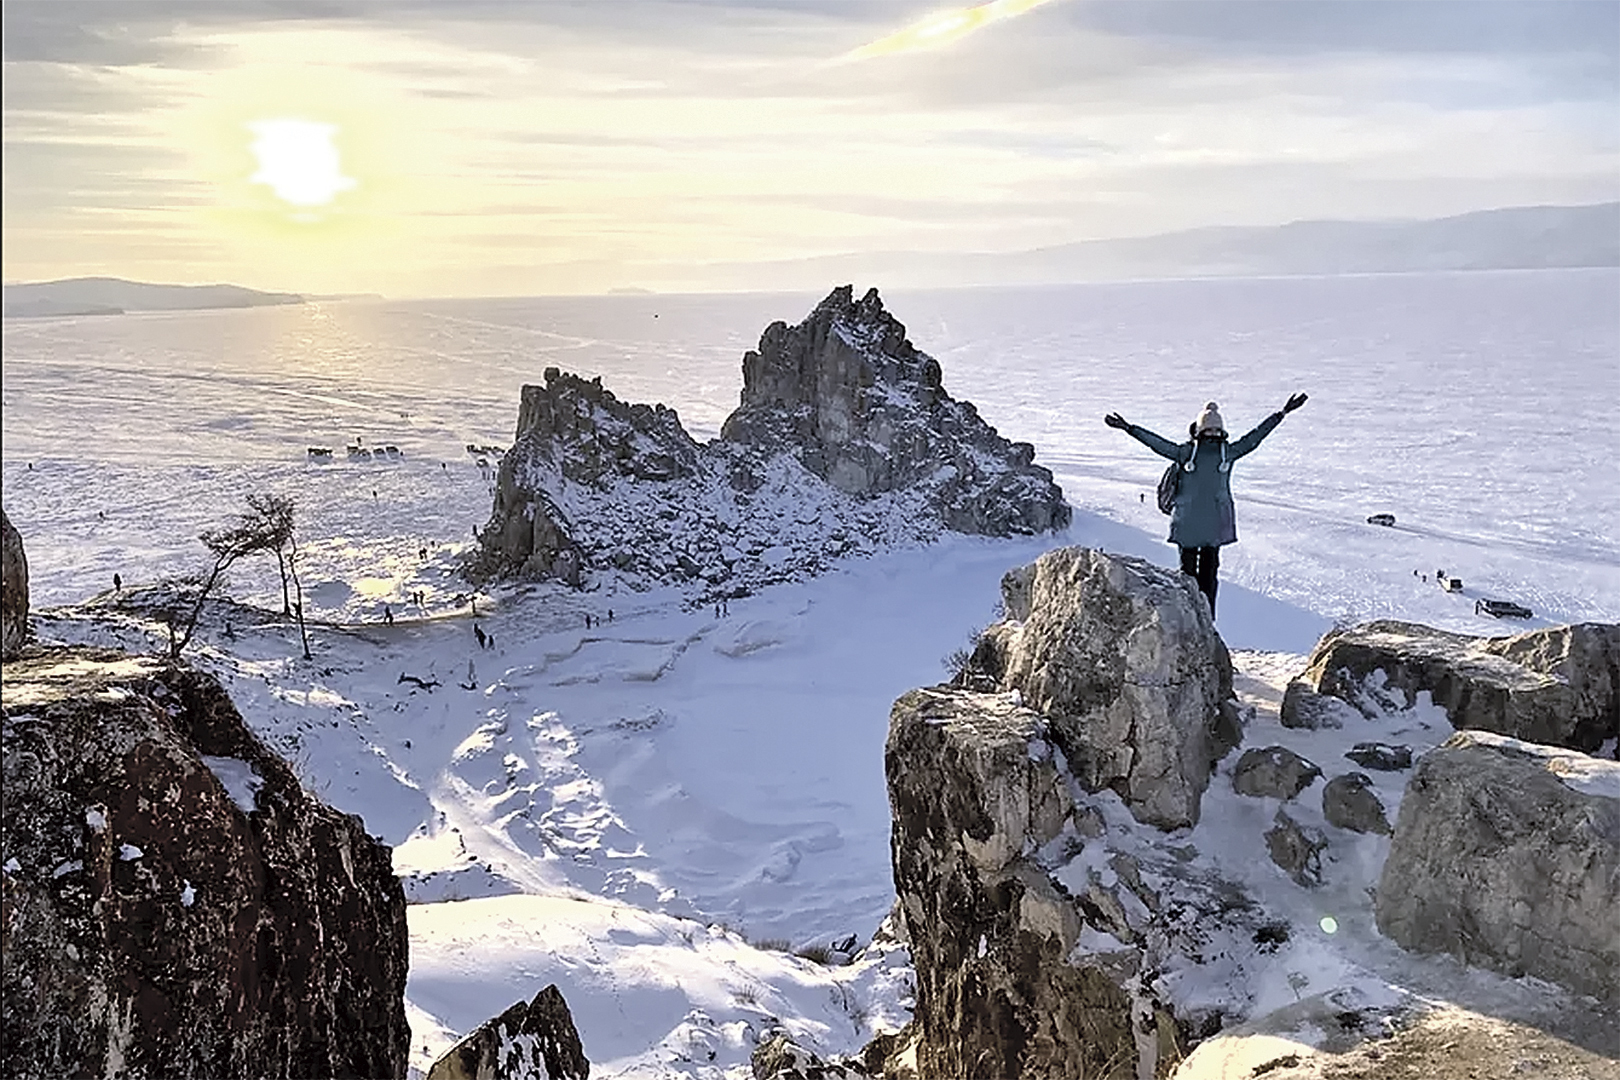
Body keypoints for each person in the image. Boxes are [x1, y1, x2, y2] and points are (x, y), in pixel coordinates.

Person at [1104, 394, 1307, 617]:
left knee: (1187, 575)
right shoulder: (1227, 453)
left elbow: (1158, 444)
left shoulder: (1186, 453)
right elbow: (1255, 438)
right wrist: (1281, 414)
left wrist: (1129, 428)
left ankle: (1189, 618)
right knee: (1209, 574)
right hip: (1214, 524)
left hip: (1187, 522)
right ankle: (1207, 619)